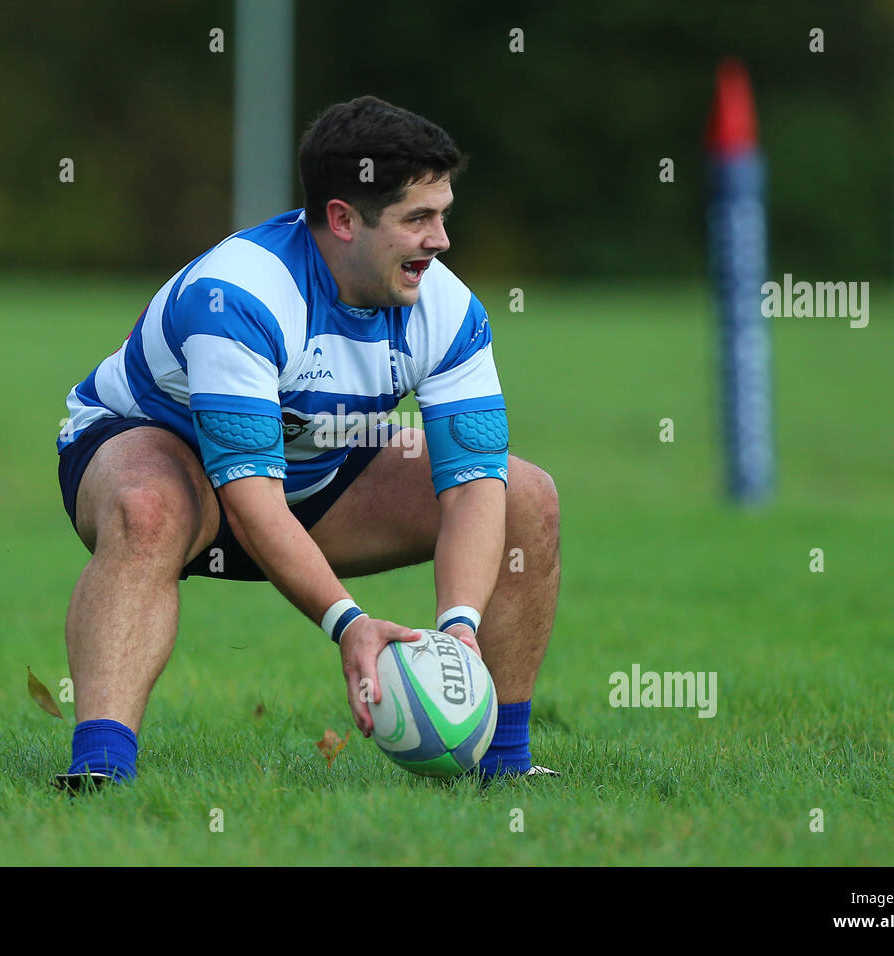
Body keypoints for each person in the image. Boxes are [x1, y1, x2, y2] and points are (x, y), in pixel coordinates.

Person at [54, 95, 560, 790]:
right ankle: (101, 770)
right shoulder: (242, 295)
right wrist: (348, 623)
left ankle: (504, 767)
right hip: (168, 458)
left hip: (314, 473)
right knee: (149, 509)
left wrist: (460, 631)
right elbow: (248, 495)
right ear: (343, 220)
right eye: (418, 219)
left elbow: (473, 483)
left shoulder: (449, 310)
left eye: (442, 215)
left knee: (526, 495)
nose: (441, 241)